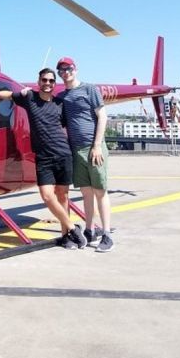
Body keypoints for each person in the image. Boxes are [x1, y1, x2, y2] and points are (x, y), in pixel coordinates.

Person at [0, 68, 87, 250]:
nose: (48, 84)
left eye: (51, 81)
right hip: (43, 157)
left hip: (62, 154)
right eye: (44, 80)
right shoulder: (29, 98)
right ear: (39, 81)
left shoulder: (60, 104)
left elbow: (70, 124)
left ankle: (66, 236)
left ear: (54, 83)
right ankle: (74, 228)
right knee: (47, 197)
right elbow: (9, 95)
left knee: (63, 197)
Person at [54, 56, 114, 252]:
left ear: (75, 69)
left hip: (93, 147)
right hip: (76, 149)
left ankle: (106, 234)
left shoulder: (89, 89)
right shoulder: (62, 98)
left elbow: (102, 116)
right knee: (86, 192)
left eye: (68, 69)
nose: (65, 73)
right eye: (61, 70)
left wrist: (97, 145)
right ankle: (89, 229)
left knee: (100, 191)